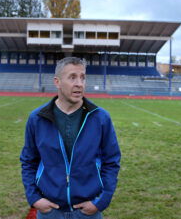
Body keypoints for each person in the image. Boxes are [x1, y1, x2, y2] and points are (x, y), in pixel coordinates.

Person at [20, 57, 121, 219]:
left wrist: (101, 201)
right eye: (72, 77)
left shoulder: (100, 118)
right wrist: (34, 198)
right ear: (57, 82)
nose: (79, 83)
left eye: (82, 77)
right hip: (49, 211)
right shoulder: (37, 118)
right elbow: (29, 161)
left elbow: (112, 161)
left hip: (88, 211)